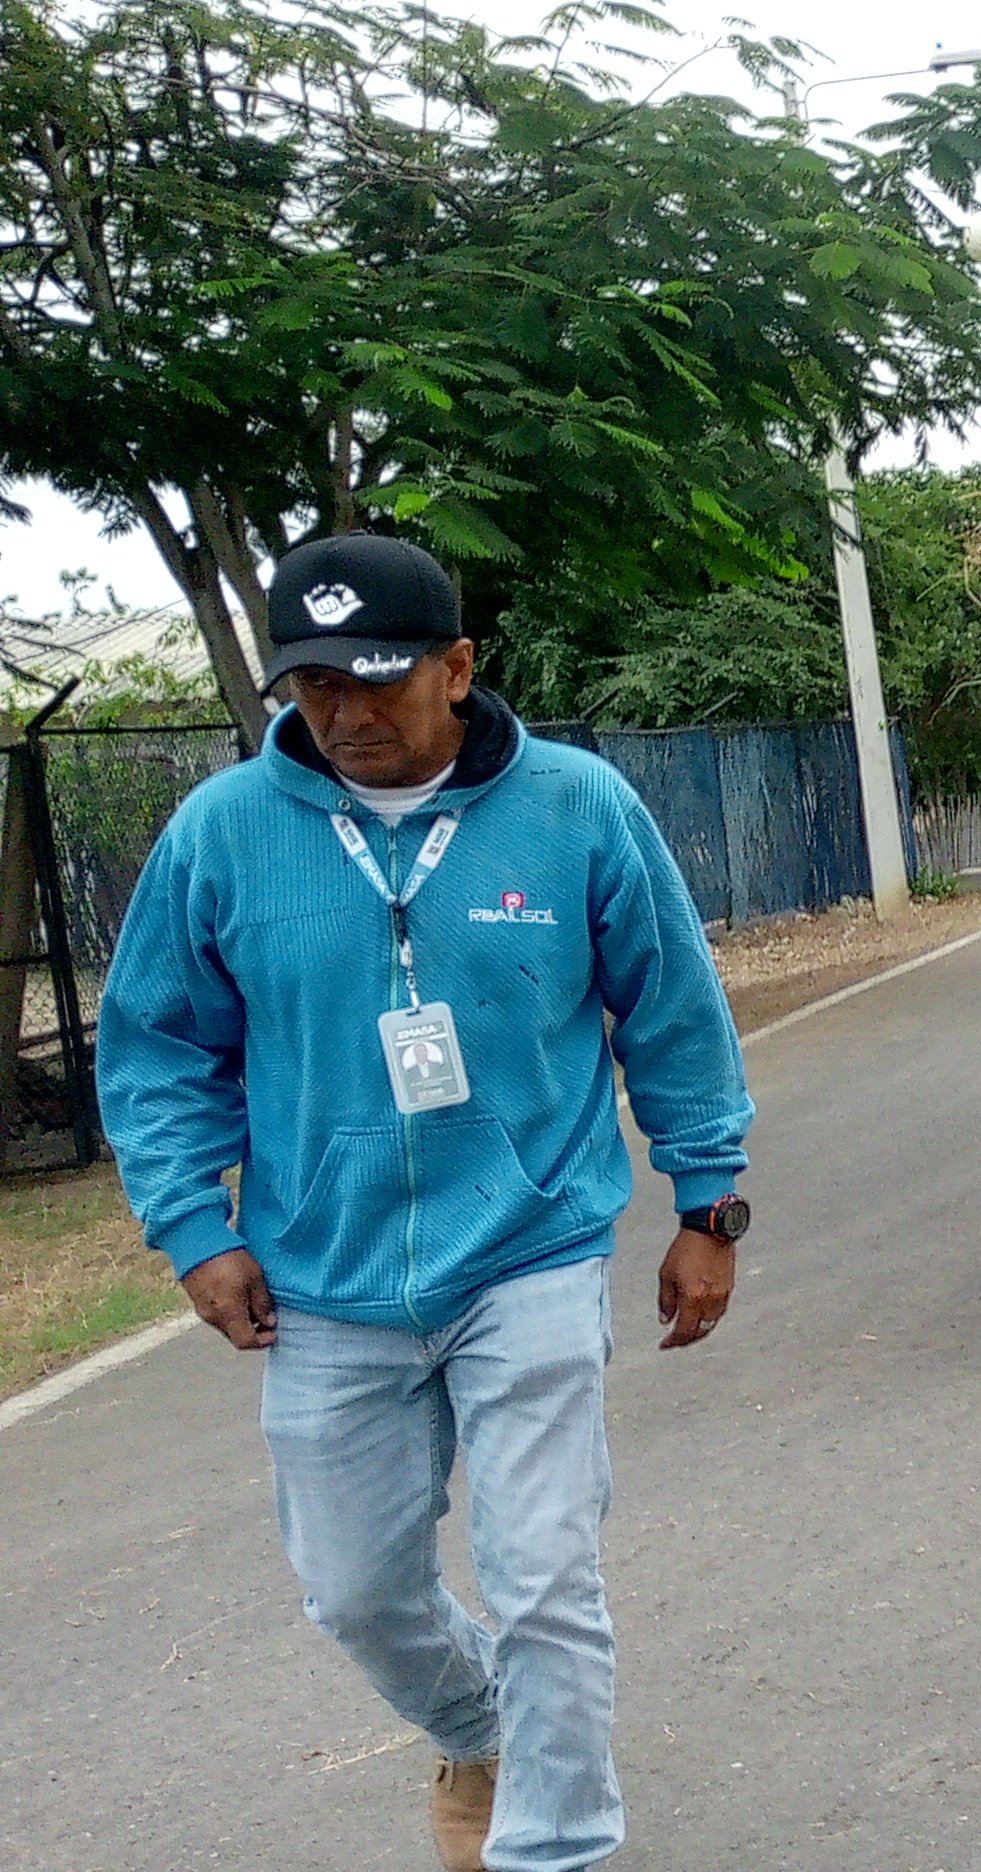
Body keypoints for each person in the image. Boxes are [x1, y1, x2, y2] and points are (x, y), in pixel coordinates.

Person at [97, 533, 756, 1872]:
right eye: (315, 685)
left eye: (378, 681)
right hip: (322, 1274)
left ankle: (553, 1846)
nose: (346, 713)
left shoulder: (575, 809)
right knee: (353, 1592)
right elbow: (158, 1046)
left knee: (544, 1578)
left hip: (529, 1248)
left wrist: (707, 1203)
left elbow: (673, 1009)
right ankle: (479, 1725)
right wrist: (194, 1230)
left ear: (457, 668)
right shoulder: (223, 834)